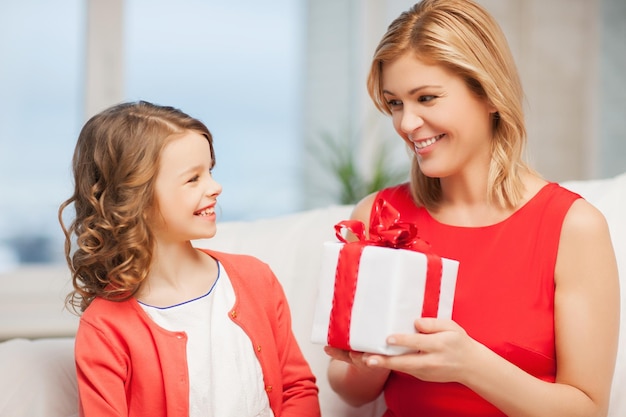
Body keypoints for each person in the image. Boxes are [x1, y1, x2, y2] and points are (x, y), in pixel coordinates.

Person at [324, 1, 620, 416]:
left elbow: (588, 410)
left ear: (490, 95)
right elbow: (352, 391)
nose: (407, 124)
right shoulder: (377, 215)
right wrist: (373, 359)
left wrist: (469, 364)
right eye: (395, 103)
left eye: (426, 98)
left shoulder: (573, 227)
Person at [59, 100, 321, 417]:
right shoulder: (104, 327)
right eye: (193, 178)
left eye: (210, 171)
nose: (216, 187)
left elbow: (297, 389)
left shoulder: (255, 278)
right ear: (132, 199)